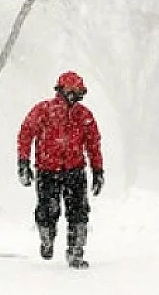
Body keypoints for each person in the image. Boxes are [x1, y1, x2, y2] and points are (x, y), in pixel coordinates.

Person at [17, 70, 104, 269]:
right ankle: (47, 237)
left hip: (75, 170)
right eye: (71, 92)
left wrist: (97, 170)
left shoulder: (84, 116)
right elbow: (25, 134)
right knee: (47, 210)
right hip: (47, 170)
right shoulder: (43, 110)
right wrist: (23, 161)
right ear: (61, 91)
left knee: (79, 212)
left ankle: (76, 251)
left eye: (78, 93)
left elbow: (93, 144)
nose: (74, 97)